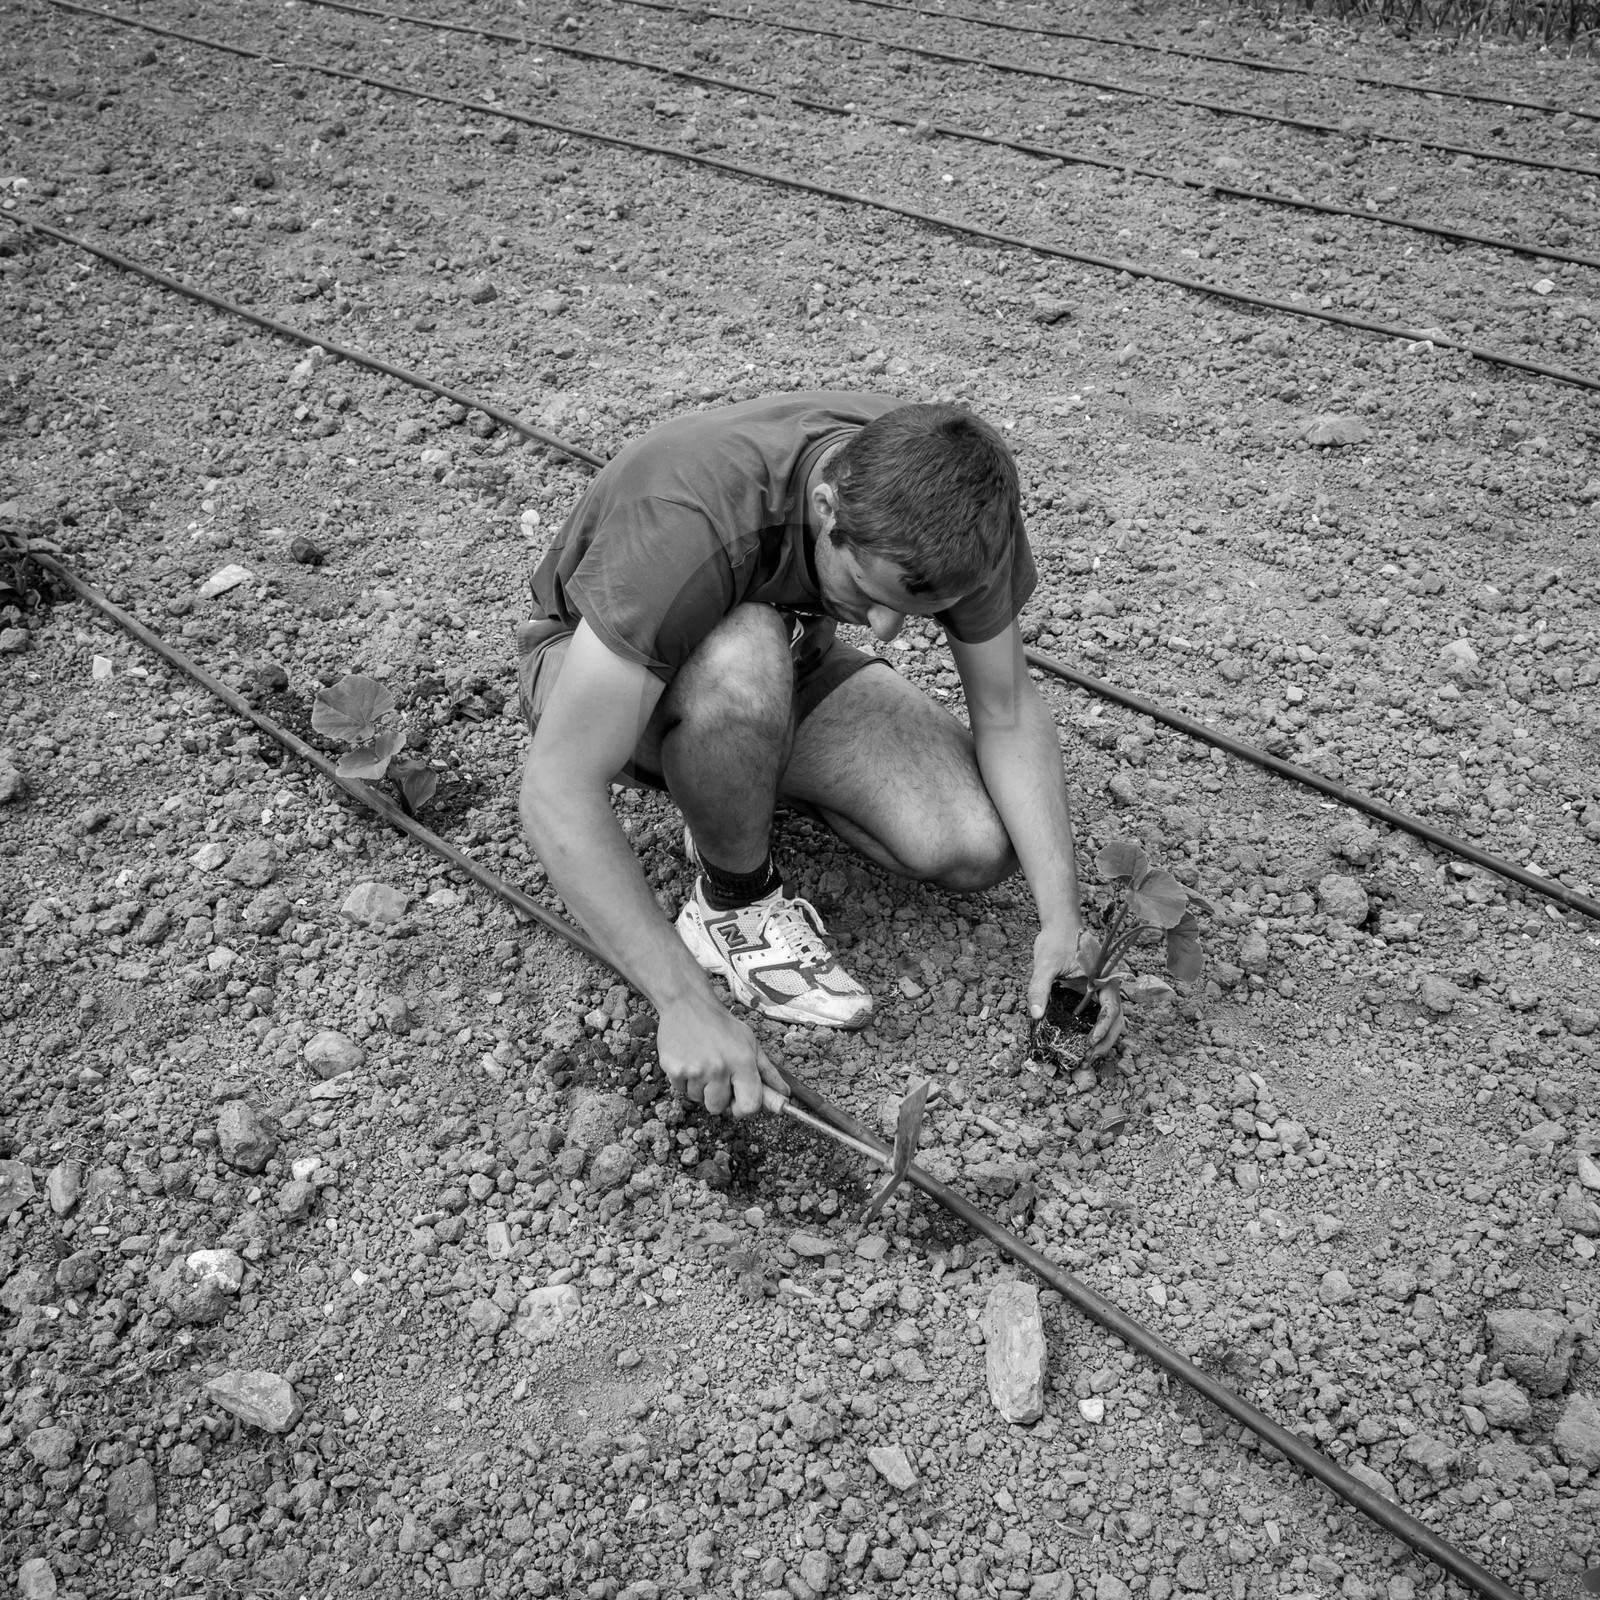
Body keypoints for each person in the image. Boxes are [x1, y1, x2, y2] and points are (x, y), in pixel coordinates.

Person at [516, 392, 1119, 1118]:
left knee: (972, 844)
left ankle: (729, 779)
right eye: (870, 593)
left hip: (784, 662)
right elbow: (556, 788)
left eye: (915, 612)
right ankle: (730, 908)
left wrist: (1063, 921)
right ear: (828, 508)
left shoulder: (963, 511)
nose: (891, 632)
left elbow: (1009, 709)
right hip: (595, 669)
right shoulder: (689, 520)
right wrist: (681, 1000)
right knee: (741, 658)